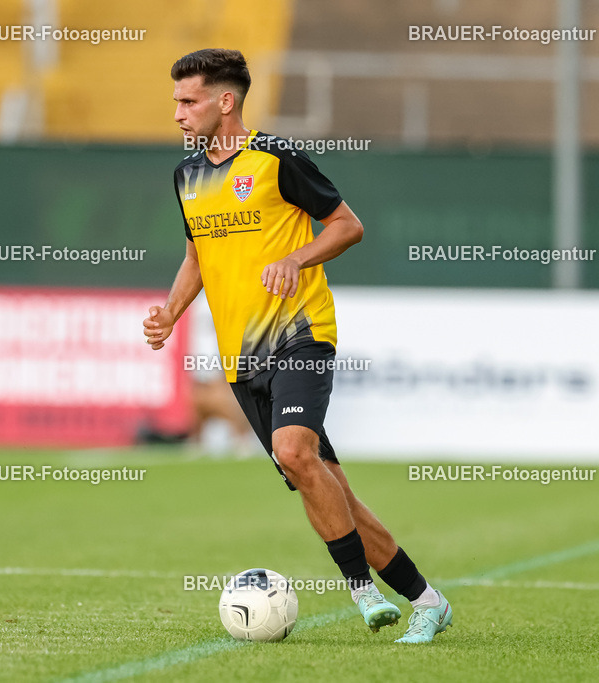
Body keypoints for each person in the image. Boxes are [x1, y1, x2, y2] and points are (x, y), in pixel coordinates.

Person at [142, 48, 452, 643]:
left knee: (293, 451)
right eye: (176, 101)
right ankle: (428, 601)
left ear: (225, 101)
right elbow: (196, 260)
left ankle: (362, 595)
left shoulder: (276, 160)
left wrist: (296, 257)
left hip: (300, 334)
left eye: (189, 100)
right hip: (240, 356)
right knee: (330, 488)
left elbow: (347, 224)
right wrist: (170, 313)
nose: (178, 113)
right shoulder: (186, 176)